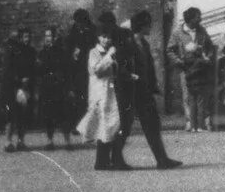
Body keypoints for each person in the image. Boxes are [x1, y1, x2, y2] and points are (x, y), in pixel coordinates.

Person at [125, 11, 182, 169]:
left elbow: (148, 68)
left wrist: (153, 85)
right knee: (123, 126)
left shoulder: (144, 43)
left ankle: (162, 159)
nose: (150, 27)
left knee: (152, 125)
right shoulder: (129, 44)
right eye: (148, 24)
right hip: (132, 91)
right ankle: (114, 158)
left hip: (145, 91)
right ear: (142, 26)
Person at [78, 22, 126, 171]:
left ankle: (109, 159)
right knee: (103, 126)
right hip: (99, 94)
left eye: (108, 38)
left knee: (112, 125)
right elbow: (96, 70)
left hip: (110, 93)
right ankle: (101, 161)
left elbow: (115, 71)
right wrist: (109, 56)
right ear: (98, 37)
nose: (106, 40)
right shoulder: (94, 52)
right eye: (103, 37)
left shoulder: (110, 51)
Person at [173, 9, 216, 132]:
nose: (200, 19)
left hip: (201, 69)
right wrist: (178, 61)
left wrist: (208, 56)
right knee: (188, 97)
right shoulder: (177, 33)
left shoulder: (202, 30)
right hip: (186, 69)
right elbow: (170, 50)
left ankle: (203, 123)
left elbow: (210, 46)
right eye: (198, 17)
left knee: (202, 97)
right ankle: (190, 123)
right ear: (190, 19)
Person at [35, 26, 74, 148]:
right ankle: (49, 141)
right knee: (48, 115)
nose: (48, 38)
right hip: (47, 87)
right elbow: (39, 71)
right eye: (46, 36)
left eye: (50, 36)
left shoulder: (61, 52)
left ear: (54, 37)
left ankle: (67, 141)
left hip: (59, 86)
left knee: (63, 115)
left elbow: (67, 71)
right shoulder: (42, 53)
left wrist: (69, 88)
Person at [0, 28, 37, 152]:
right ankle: (8, 141)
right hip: (13, 87)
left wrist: (28, 79)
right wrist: (20, 80)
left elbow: (33, 69)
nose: (27, 39)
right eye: (24, 37)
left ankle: (21, 141)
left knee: (23, 115)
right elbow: (9, 70)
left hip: (25, 87)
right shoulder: (13, 51)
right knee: (11, 115)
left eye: (28, 37)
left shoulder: (31, 51)